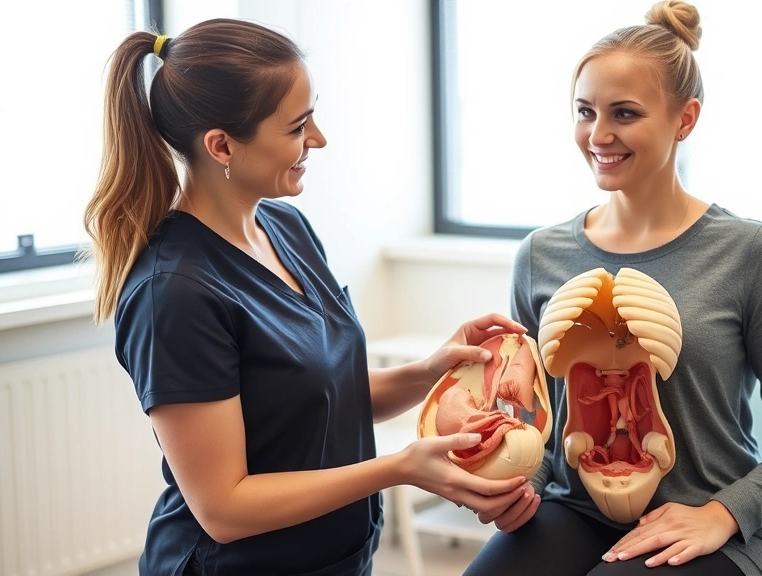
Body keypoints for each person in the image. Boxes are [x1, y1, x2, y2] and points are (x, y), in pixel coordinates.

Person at [83, 19, 529, 576]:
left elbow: (318, 399)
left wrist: (429, 372)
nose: (317, 139)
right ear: (221, 145)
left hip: (336, 557)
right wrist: (397, 469)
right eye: (297, 127)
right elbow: (224, 506)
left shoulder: (285, 226)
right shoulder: (174, 293)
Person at [464, 1, 762, 575]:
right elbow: (536, 417)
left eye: (625, 113)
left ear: (685, 119)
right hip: (577, 509)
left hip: (714, 527)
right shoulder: (540, 256)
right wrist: (521, 487)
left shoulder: (748, 252)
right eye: (585, 111)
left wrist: (723, 513)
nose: (599, 134)